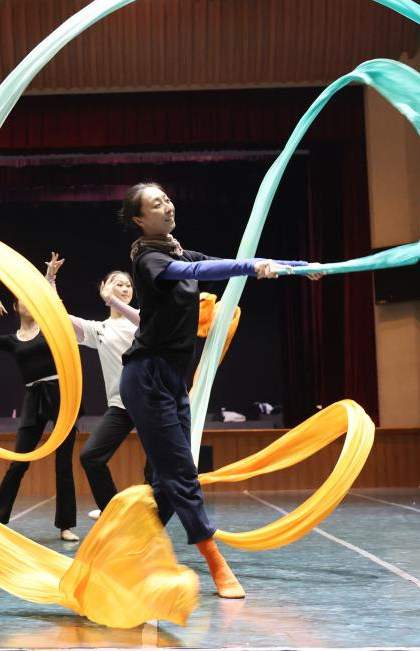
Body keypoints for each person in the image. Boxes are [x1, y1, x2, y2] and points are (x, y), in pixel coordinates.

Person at [117, 183, 317, 599]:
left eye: (167, 199)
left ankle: (127, 555)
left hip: (172, 379)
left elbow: (227, 263)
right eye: (156, 204)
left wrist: (297, 267)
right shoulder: (149, 260)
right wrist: (252, 268)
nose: (167, 206)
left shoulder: (178, 252)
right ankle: (216, 565)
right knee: (181, 474)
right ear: (139, 219)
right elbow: (195, 274)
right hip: (146, 377)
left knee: (164, 481)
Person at [44, 256, 151, 518]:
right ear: (104, 287)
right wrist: (50, 280)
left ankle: (153, 515)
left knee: (157, 467)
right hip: (121, 405)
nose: (125, 289)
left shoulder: (143, 318)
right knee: (90, 457)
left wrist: (112, 300)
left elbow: (143, 323)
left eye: (128, 285)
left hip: (152, 404)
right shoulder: (99, 329)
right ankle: (112, 512)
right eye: (118, 284)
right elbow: (58, 318)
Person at [0, 279, 79, 542]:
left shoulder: (49, 329)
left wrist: (50, 282)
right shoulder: (13, 340)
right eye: (23, 299)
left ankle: (66, 525)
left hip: (60, 394)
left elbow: (59, 314)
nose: (29, 303)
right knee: (18, 462)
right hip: (33, 398)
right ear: (15, 306)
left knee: (63, 464)